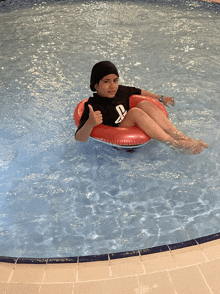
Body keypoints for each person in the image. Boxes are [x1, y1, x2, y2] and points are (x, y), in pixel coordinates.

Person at [75, 61, 208, 154]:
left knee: (144, 103)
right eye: (106, 81)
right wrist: (90, 123)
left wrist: (160, 98)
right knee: (134, 112)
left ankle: (179, 135)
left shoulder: (120, 91)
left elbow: (139, 92)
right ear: (96, 85)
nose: (112, 85)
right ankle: (173, 143)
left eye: (115, 80)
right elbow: (79, 137)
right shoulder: (93, 105)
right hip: (121, 145)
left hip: (136, 135)